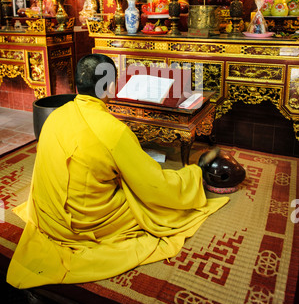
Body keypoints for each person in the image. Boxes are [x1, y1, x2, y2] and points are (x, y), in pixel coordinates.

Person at [6, 54, 229, 289]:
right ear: (110, 87)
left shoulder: (57, 115)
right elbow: (155, 185)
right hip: (84, 223)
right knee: (144, 203)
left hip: (49, 214)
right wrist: (194, 174)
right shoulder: (114, 131)